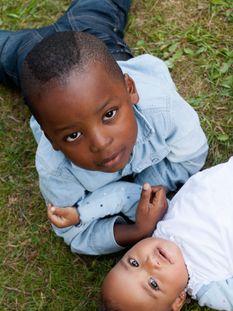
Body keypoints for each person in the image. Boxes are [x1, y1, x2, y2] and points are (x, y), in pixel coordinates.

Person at [0, 0, 208, 255]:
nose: (100, 143)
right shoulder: (55, 168)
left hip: (96, 39)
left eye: (109, 114)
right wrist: (136, 230)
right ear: (50, 138)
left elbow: (191, 154)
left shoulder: (163, 110)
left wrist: (147, 189)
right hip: (29, 58)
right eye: (73, 135)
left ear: (130, 90)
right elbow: (73, 233)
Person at [101, 157, 233, 311]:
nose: (151, 263)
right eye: (153, 284)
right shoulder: (207, 285)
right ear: (178, 300)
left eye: (133, 263)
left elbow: (125, 196)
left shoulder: (156, 223)